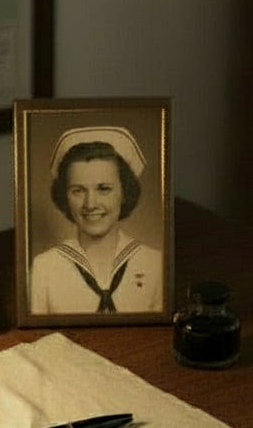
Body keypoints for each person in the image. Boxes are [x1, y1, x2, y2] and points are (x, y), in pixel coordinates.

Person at [30, 126, 163, 315]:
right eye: (78, 190)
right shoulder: (44, 267)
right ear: (64, 197)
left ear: (125, 193)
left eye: (103, 189)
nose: (90, 204)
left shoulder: (155, 264)